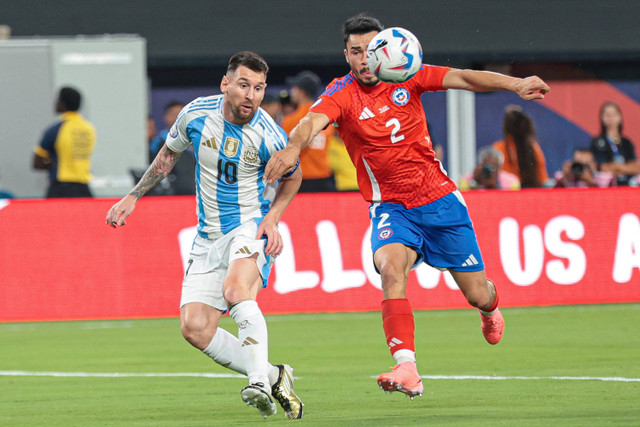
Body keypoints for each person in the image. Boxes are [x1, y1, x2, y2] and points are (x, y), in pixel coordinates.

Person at [265, 14, 550, 399]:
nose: (364, 59)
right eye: (355, 52)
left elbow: (464, 77)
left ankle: (489, 308)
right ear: (346, 55)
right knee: (390, 267)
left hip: (440, 201)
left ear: (384, 49)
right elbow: (311, 121)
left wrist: (516, 84)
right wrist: (291, 148)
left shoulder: (407, 75)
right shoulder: (342, 93)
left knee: (477, 292)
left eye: (370, 50)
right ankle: (407, 367)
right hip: (391, 207)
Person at [105, 51, 304, 420]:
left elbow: (294, 174)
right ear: (225, 84)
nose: (251, 96)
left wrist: (273, 218)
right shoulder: (197, 115)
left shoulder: (270, 135)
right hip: (208, 236)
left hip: (249, 225)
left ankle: (259, 383)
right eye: (244, 85)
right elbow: (169, 153)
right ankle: (276, 375)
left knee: (235, 291)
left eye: (259, 88)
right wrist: (134, 195)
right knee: (194, 327)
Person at [32, 87, 96, 198]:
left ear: (62, 103)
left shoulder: (55, 129)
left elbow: (37, 162)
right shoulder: (89, 129)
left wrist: (54, 163)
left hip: (60, 190)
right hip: (84, 190)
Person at [282, 71, 336, 192]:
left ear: (301, 92)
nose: (292, 92)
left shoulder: (290, 120)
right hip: (324, 179)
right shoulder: (325, 116)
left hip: (301, 180)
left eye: (294, 88)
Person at [492, 105, 548, 188]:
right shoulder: (534, 148)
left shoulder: (498, 149)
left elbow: (498, 179)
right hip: (532, 193)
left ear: (505, 127)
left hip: (508, 194)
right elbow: (543, 179)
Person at [149, 101, 197, 195]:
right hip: (173, 195)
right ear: (166, 117)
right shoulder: (160, 141)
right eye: (174, 115)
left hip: (195, 194)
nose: (178, 118)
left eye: (182, 115)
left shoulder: (195, 139)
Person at [590, 101, 640, 186]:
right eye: (607, 115)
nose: (611, 118)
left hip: (629, 182)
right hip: (609, 183)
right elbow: (603, 167)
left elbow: (636, 166)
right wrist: (625, 167)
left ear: (620, 117)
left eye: (614, 114)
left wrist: (617, 166)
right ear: (602, 118)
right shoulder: (597, 142)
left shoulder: (627, 142)